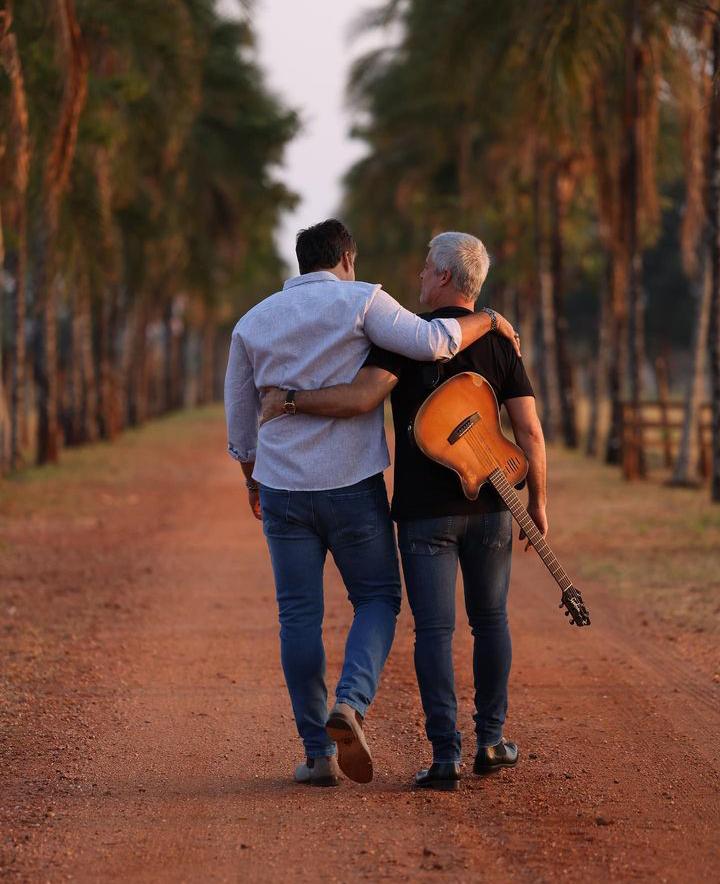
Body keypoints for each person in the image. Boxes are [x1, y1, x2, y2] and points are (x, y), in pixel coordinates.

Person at [224, 220, 521, 787]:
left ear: (301, 260)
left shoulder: (252, 322)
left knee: (298, 618)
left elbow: (241, 425)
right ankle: (352, 701)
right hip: (352, 486)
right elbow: (438, 341)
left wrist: (252, 480)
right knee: (380, 599)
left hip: (284, 487)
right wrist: (491, 319)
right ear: (346, 259)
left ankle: (316, 754)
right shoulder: (365, 302)